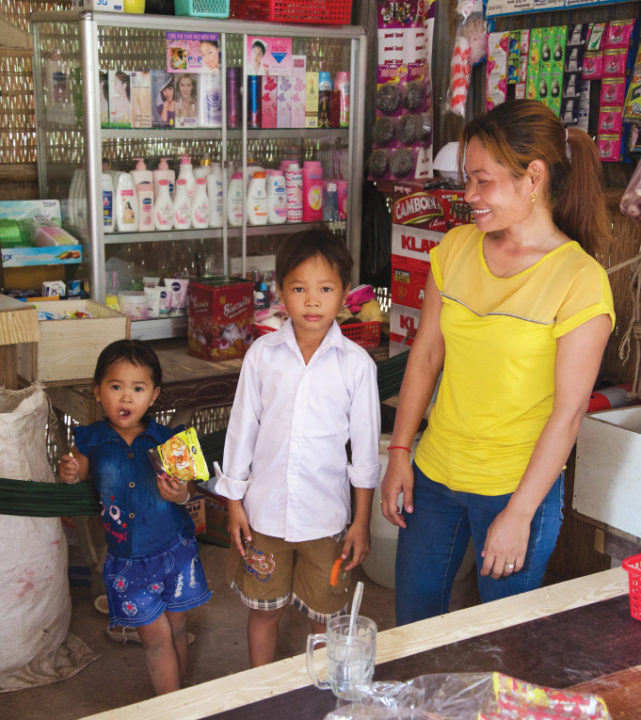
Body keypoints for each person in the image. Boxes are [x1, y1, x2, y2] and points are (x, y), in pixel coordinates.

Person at [380, 99, 616, 625]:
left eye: (483, 181)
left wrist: (521, 513)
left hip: (516, 487)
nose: (468, 197)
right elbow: (426, 357)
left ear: (533, 176)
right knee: (413, 629)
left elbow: (568, 413)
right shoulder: (456, 248)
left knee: (502, 644)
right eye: (467, 179)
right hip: (435, 474)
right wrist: (399, 451)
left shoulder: (579, 281)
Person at [213, 228, 380, 667]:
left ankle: (318, 692)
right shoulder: (262, 356)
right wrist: (234, 502)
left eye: (325, 289)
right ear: (280, 292)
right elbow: (241, 430)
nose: (312, 301)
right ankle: (261, 692)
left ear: (345, 294)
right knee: (262, 610)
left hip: (326, 521)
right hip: (263, 516)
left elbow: (363, 457)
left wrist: (361, 522)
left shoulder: (356, 367)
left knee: (323, 616)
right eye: (299, 288)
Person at [58, 340, 212, 695]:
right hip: (128, 561)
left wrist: (182, 493)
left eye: (138, 388)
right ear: (98, 391)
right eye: (116, 387)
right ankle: (171, 709)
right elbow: (77, 471)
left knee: (176, 629)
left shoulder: (168, 441)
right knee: (156, 636)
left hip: (175, 552)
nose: (126, 398)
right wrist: (69, 469)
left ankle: (180, 697)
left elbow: (192, 490)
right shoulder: (90, 440)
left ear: (153, 395)